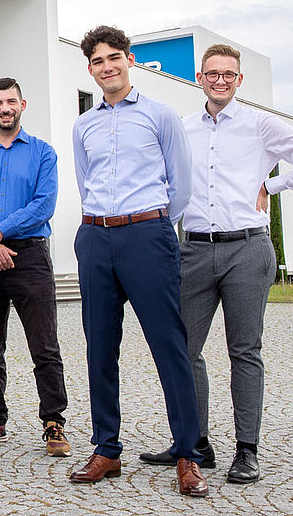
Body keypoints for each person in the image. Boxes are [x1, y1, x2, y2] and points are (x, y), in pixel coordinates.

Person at [139, 44, 293, 484]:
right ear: (199, 78)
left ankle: (247, 450)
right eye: (213, 73)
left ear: (239, 80)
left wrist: (274, 183)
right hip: (191, 250)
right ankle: (196, 444)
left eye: (229, 74)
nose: (221, 80)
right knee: (184, 351)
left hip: (246, 249)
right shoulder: (183, 128)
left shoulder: (260, 125)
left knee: (244, 350)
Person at [68, 25, 207, 497]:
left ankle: (187, 453)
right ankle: (107, 448)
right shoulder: (82, 124)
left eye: (114, 58)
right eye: (98, 62)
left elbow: (180, 184)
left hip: (148, 234)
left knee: (169, 344)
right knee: (99, 348)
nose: (107, 67)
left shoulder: (160, 115)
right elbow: (85, 178)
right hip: (95, 236)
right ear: (89, 68)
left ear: (129, 60)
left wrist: (156, 228)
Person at [0, 78, 70, 457]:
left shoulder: (42, 153)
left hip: (30, 257)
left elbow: (43, 204)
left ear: (23, 104)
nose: (5, 108)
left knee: (45, 346)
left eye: (11, 101)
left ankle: (53, 422)